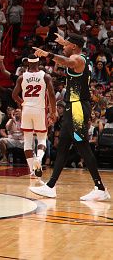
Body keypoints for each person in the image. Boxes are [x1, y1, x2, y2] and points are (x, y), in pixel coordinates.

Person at [31, 33, 110, 201]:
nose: (63, 47)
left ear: (74, 47)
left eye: (66, 45)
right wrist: (64, 42)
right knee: (63, 145)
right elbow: (68, 56)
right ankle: (51, 186)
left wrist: (48, 55)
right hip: (72, 107)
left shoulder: (78, 60)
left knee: (82, 146)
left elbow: (66, 61)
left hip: (78, 108)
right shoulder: (81, 57)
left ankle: (100, 187)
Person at [12, 55, 56, 177]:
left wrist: (23, 103)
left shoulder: (22, 77)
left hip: (26, 110)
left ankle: (32, 170)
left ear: (27, 64)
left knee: (27, 140)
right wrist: (54, 111)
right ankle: (39, 158)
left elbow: (14, 95)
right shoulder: (45, 76)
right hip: (40, 110)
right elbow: (52, 94)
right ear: (38, 62)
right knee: (42, 138)